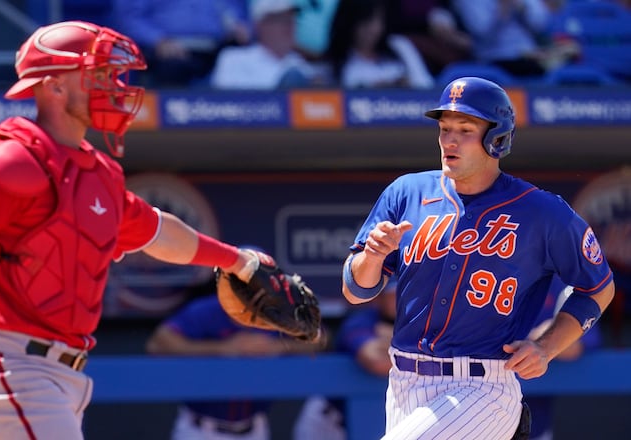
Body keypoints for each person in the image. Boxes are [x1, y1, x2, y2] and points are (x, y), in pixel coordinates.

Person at [0, 20, 274, 439]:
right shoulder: (10, 161)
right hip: (13, 366)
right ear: (55, 87)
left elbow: (160, 232)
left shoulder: (100, 174)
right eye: (97, 75)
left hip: (65, 376)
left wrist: (239, 260)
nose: (113, 85)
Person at [342, 76, 614, 439]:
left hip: (483, 386)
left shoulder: (541, 211)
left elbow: (598, 288)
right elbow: (355, 291)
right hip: (403, 383)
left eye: (465, 130)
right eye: (444, 128)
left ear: (496, 139)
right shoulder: (407, 192)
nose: (449, 141)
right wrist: (372, 256)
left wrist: (547, 347)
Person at [147, 290, 324, 440]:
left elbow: (319, 338)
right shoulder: (208, 310)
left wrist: (276, 346)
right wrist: (223, 348)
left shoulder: (278, 313)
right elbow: (158, 343)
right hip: (201, 428)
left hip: (253, 427)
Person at [293, 279, 397, 440]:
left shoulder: (413, 325)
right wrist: (414, 351)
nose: (400, 299)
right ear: (378, 298)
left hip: (373, 421)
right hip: (328, 422)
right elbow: (377, 361)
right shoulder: (362, 321)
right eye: (393, 295)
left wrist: (390, 337)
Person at [525, 278, 603, 440]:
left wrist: (544, 340)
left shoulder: (564, 282)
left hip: (533, 424)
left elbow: (576, 345)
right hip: (471, 412)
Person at [111, 0, 252, 87]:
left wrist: (242, 28)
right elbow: (129, 19)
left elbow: (241, 15)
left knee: (247, 62)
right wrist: (158, 40)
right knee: (173, 68)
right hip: (168, 50)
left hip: (220, 47)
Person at [210, 0, 329, 89]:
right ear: (260, 25)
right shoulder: (233, 59)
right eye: (281, 19)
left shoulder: (303, 67)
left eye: (292, 18)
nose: (289, 25)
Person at [325, 0, 434, 89]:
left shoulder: (399, 45)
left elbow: (426, 85)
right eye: (365, 22)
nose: (372, 29)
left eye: (376, 20)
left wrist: (405, 86)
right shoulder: (339, 61)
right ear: (350, 22)